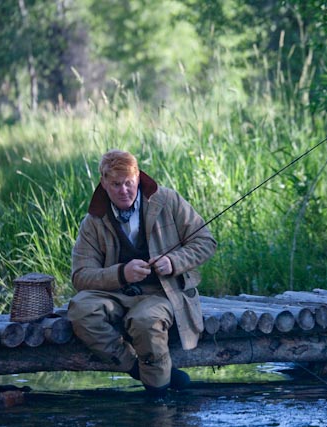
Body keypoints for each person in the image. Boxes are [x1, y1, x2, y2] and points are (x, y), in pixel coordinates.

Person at [67, 149, 216, 397]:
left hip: (164, 293)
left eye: (129, 183)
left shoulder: (167, 200)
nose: (124, 190)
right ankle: (137, 369)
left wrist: (174, 261)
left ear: (137, 177)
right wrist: (121, 273)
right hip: (117, 293)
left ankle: (158, 399)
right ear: (103, 183)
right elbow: (80, 276)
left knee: (145, 320)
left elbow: (206, 242)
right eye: (116, 184)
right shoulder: (94, 220)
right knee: (80, 309)